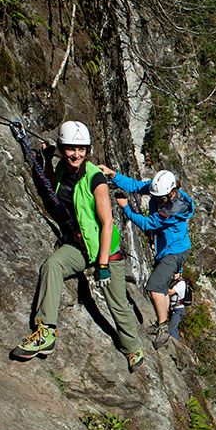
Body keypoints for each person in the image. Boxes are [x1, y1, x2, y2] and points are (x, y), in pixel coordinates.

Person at [10, 121, 144, 373]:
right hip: (79, 246)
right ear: (62, 148)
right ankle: (45, 332)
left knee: (116, 302)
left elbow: (107, 223)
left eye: (81, 149)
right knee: (52, 265)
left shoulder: (96, 179)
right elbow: (51, 188)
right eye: (71, 148)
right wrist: (44, 156)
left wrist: (103, 263)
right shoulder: (62, 168)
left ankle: (132, 347)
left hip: (105, 250)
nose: (76, 154)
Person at [97, 166, 194, 349]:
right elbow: (135, 185)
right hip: (170, 250)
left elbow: (147, 224)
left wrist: (126, 208)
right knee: (162, 288)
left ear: (172, 192)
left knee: (155, 288)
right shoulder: (160, 189)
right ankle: (161, 323)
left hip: (174, 252)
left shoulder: (173, 209)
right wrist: (114, 175)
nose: (156, 200)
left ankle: (163, 328)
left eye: (160, 198)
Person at [167, 273, 187, 340]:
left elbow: (170, 292)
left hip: (178, 309)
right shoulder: (174, 282)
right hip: (173, 308)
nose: (175, 274)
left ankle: (175, 346)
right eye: (174, 272)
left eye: (177, 273)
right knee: (170, 326)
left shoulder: (181, 283)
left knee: (172, 328)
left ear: (180, 274)